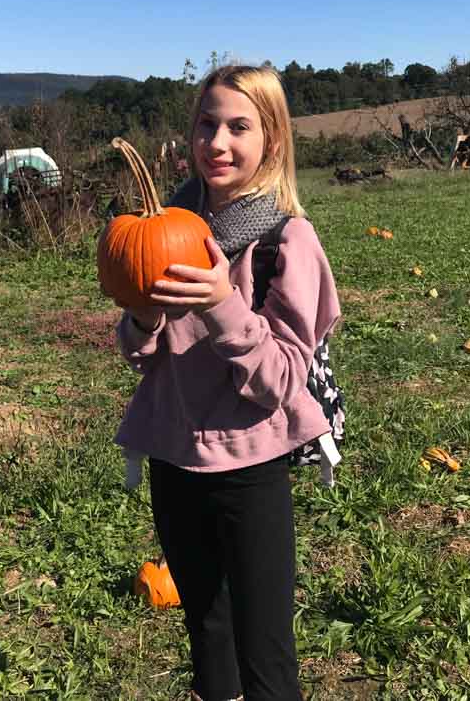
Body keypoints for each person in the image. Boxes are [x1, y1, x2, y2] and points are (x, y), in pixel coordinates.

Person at [113, 64, 341, 701]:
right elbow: (137, 353)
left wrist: (220, 303)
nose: (217, 142)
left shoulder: (286, 241)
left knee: (266, 650)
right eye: (206, 125)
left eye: (238, 127)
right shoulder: (162, 231)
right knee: (206, 630)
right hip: (174, 460)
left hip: (251, 467)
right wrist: (141, 317)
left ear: (271, 139)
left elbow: (282, 379)